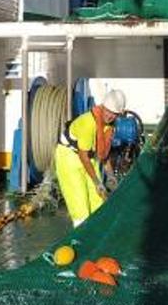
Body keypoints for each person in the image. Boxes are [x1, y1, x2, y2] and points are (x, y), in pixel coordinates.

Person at [54, 90, 126, 227]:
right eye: (108, 111)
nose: (110, 116)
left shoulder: (110, 126)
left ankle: (98, 235)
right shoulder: (89, 123)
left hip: (88, 158)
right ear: (102, 106)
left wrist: (110, 176)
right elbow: (83, 156)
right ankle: (80, 238)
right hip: (69, 158)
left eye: (114, 113)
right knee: (81, 207)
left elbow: (104, 154)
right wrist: (97, 182)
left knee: (98, 203)